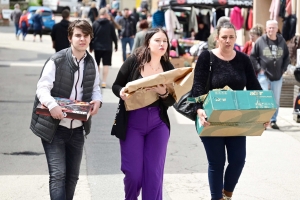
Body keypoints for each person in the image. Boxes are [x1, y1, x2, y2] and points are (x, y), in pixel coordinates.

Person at [30, 19, 102, 199]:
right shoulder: (57, 60)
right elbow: (42, 88)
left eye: (86, 36)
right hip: (54, 128)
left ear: (90, 38)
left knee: (72, 177)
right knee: (58, 175)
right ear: (70, 37)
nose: (82, 39)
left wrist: (97, 101)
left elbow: (95, 88)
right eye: (78, 35)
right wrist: (52, 106)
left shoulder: (91, 63)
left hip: (77, 130)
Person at [191, 22, 263, 200]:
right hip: (210, 118)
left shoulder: (243, 60)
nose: (228, 40)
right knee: (217, 162)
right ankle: (216, 198)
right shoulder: (206, 57)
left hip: (236, 119)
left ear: (236, 38)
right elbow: (197, 87)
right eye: (224, 37)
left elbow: (255, 88)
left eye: (231, 37)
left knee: (238, 160)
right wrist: (199, 110)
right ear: (217, 38)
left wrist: (263, 113)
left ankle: (227, 194)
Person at [112, 27, 176, 200]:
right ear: (148, 43)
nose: (162, 44)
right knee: (133, 174)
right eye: (158, 40)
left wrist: (163, 93)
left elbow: (172, 100)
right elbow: (116, 85)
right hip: (132, 122)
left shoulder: (168, 67)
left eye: (165, 41)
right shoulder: (134, 61)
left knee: (154, 175)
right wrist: (121, 93)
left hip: (158, 123)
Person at [250, 20, 290, 130]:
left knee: (275, 100)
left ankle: (273, 120)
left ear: (277, 29)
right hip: (264, 76)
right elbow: (252, 57)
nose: (271, 30)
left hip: (278, 76)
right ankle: (264, 121)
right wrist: (259, 69)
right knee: (265, 99)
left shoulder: (282, 41)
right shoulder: (260, 41)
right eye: (269, 28)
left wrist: (283, 69)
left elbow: (287, 57)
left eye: (273, 28)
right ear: (266, 29)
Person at [90, 8, 118, 88]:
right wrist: (116, 45)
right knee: (106, 65)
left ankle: (97, 81)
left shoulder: (95, 23)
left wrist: (91, 46)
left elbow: (91, 36)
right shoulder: (110, 24)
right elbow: (114, 36)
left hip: (97, 47)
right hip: (107, 47)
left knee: (97, 64)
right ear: (105, 14)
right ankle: (104, 82)